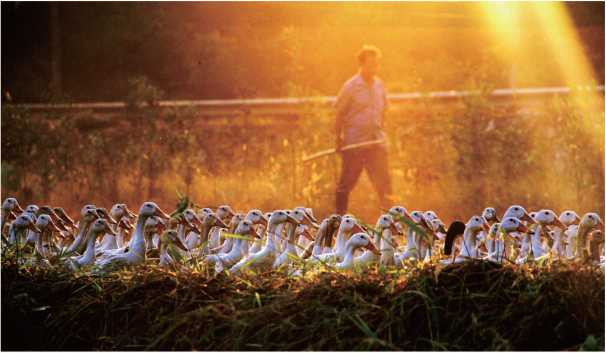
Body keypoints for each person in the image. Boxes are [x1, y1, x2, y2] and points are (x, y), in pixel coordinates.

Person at [334, 45, 392, 215]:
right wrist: (338, 140)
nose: (374, 67)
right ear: (361, 64)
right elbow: (339, 114)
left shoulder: (379, 86)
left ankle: (390, 224)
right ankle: (338, 221)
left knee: (385, 185)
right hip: (355, 145)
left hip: (376, 143)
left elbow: (384, 111)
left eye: (377, 64)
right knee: (345, 185)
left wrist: (382, 131)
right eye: (371, 64)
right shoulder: (350, 86)